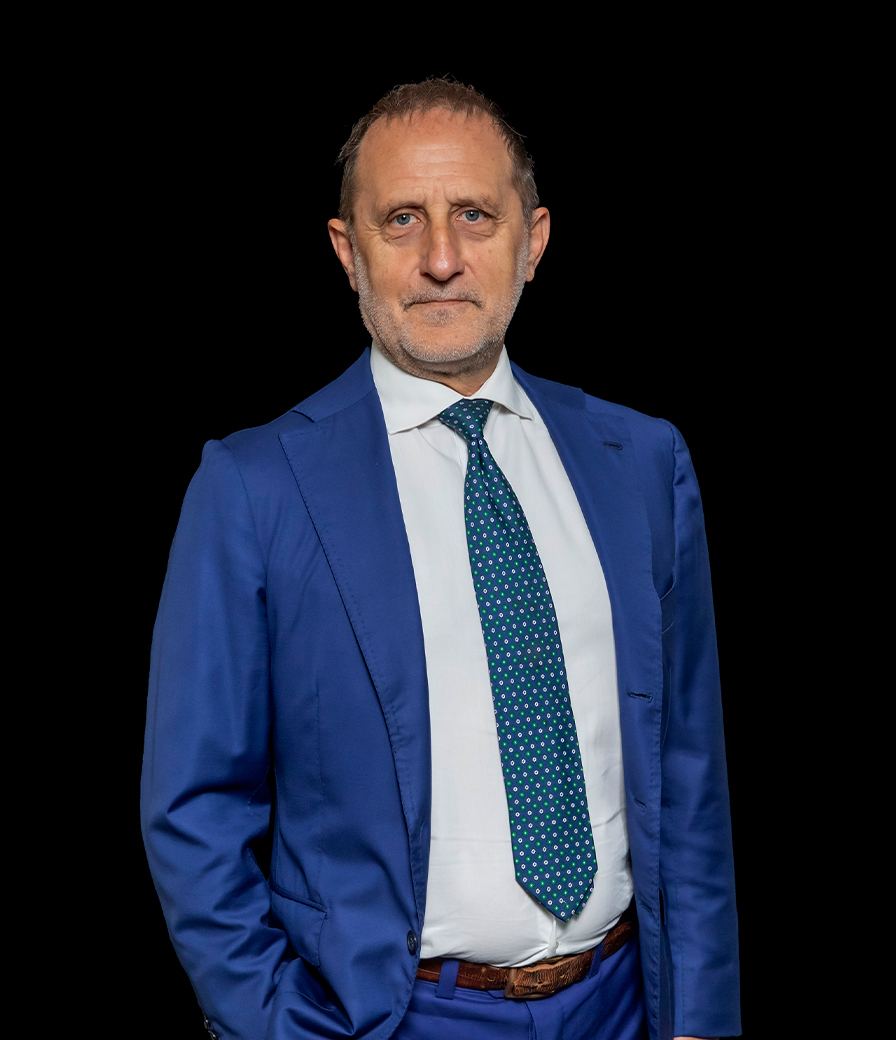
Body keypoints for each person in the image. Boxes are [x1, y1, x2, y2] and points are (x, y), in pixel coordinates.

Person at [142, 78, 740, 1040]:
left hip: (625, 1005)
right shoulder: (254, 489)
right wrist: (278, 1025)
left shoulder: (642, 462)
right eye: (401, 220)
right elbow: (194, 809)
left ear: (533, 241)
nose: (441, 259)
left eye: (474, 215)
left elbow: (689, 773)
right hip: (393, 1019)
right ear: (348, 251)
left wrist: (699, 1018)